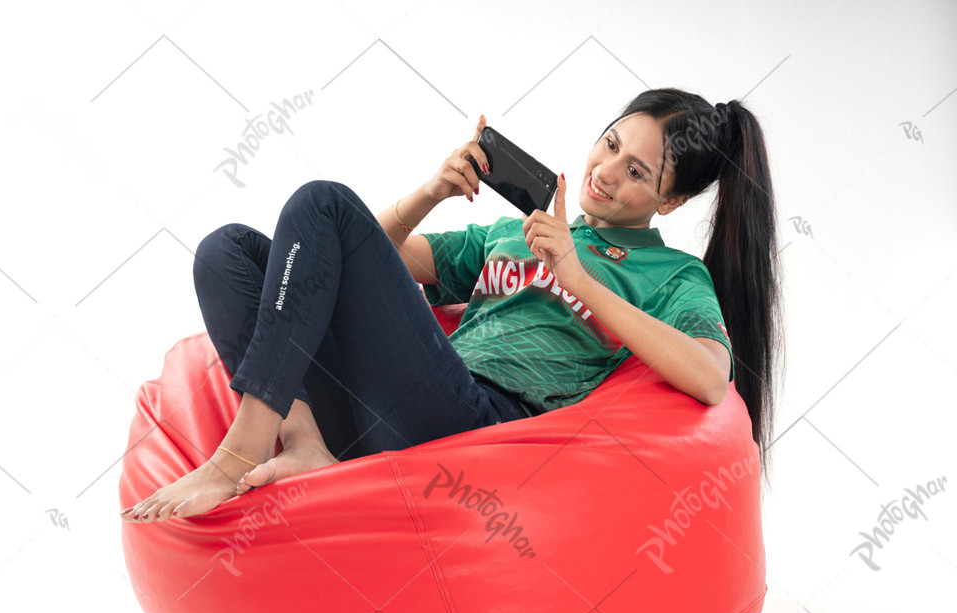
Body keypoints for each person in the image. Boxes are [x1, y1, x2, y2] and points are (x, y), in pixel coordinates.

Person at [121, 87, 783, 524]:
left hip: (471, 429)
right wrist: (431, 192)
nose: (606, 172)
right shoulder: (515, 227)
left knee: (324, 198)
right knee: (229, 251)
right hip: (388, 411)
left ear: (669, 203)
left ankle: (237, 454)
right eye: (611, 144)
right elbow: (346, 260)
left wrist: (576, 275)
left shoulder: (673, 274)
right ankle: (301, 440)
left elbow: (708, 375)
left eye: (638, 172)